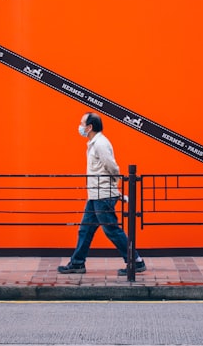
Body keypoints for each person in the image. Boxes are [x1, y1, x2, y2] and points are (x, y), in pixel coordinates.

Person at [58, 111, 146, 275]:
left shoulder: (100, 144)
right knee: (85, 229)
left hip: (103, 195)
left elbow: (113, 168)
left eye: (82, 123)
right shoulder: (93, 143)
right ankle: (77, 263)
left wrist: (112, 186)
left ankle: (136, 261)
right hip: (95, 195)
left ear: (90, 127)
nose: (80, 127)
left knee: (111, 230)